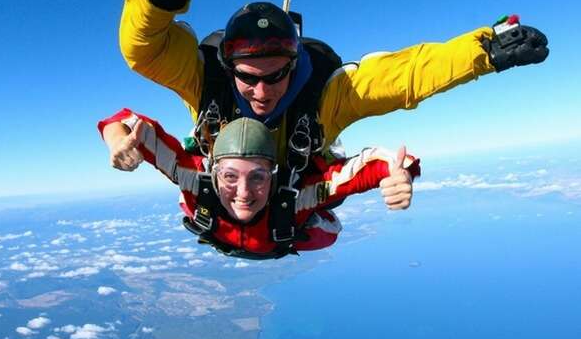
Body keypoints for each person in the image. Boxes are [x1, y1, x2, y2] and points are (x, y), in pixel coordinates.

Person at [113, 0, 549, 180]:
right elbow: (144, 50)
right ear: (229, 68)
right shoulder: (204, 79)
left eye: (276, 76)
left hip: (301, 188)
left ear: (294, 66)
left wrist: (486, 49)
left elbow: (404, 78)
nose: (261, 91)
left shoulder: (325, 95)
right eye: (247, 77)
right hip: (230, 187)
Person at [99, 109, 420, 259]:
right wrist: (117, 142)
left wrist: (401, 174)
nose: (242, 192)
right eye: (229, 176)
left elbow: (376, 164)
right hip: (243, 231)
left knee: (329, 232)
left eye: (257, 177)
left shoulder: (297, 197)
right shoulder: (194, 180)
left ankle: (320, 162)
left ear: (274, 175)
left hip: (289, 231)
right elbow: (129, 123)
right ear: (213, 173)